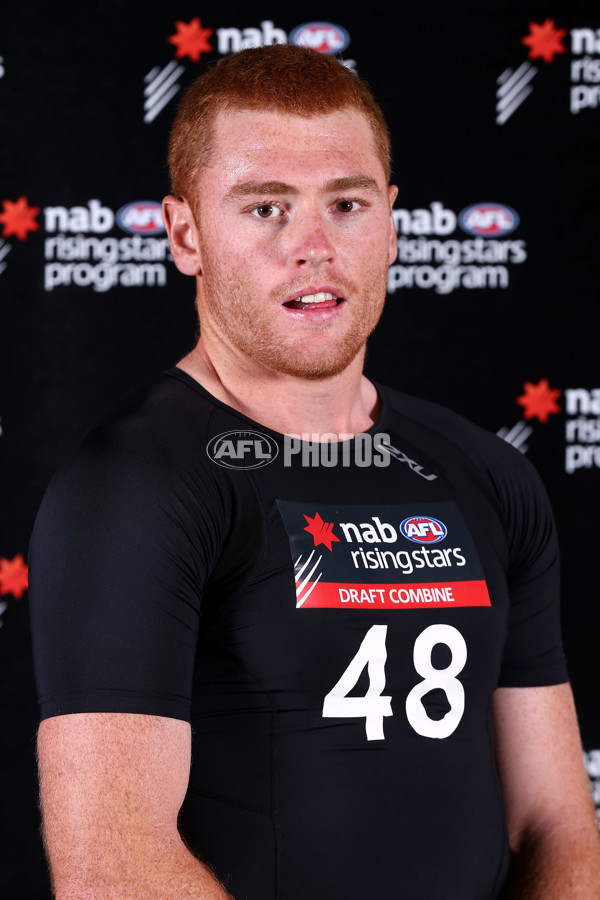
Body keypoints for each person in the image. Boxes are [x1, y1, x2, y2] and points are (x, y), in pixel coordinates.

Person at [30, 44, 600, 900]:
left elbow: (553, 823)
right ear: (185, 234)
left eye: (347, 203)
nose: (314, 246)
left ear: (394, 221)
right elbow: (111, 866)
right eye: (265, 208)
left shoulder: (484, 472)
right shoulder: (135, 485)